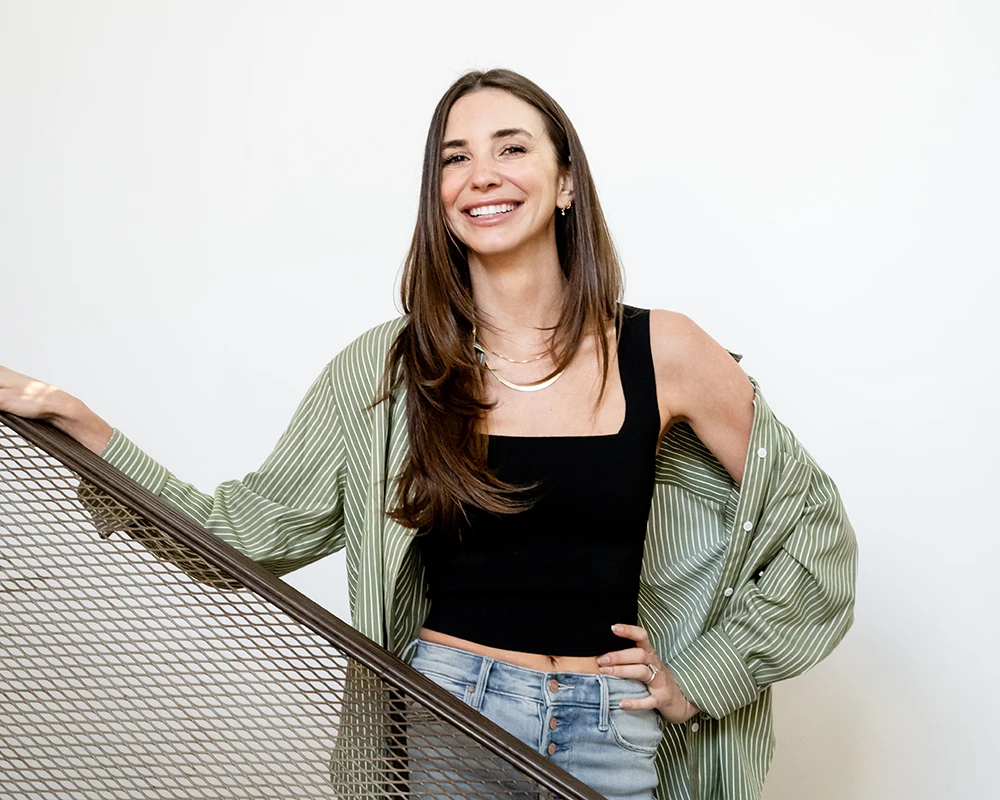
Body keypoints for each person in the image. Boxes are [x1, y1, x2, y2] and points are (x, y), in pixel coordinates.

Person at [0, 69, 856, 800]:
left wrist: (705, 675)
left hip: (610, 729)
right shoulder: (390, 367)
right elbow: (243, 535)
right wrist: (86, 428)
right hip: (451, 715)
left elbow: (814, 531)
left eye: (512, 147)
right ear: (440, 198)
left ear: (565, 184)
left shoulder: (666, 351)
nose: (481, 173)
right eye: (456, 157)